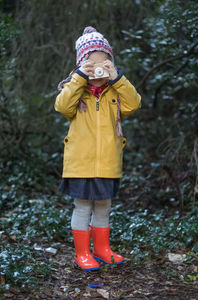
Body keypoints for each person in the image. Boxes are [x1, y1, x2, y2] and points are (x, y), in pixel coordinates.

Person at [55, 26, 141, 271]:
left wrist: (118, 78)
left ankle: (102, 249)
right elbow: (62, 107)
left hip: (108, 161)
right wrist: (80, 76)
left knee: (104, 206)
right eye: (92, 65)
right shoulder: (75, 89)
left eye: (104, 64)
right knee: (82, 207)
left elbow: (134, 104)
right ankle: (81, 253)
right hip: (80, 162)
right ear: (81, 65)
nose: (98, 71)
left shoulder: (115, 90)